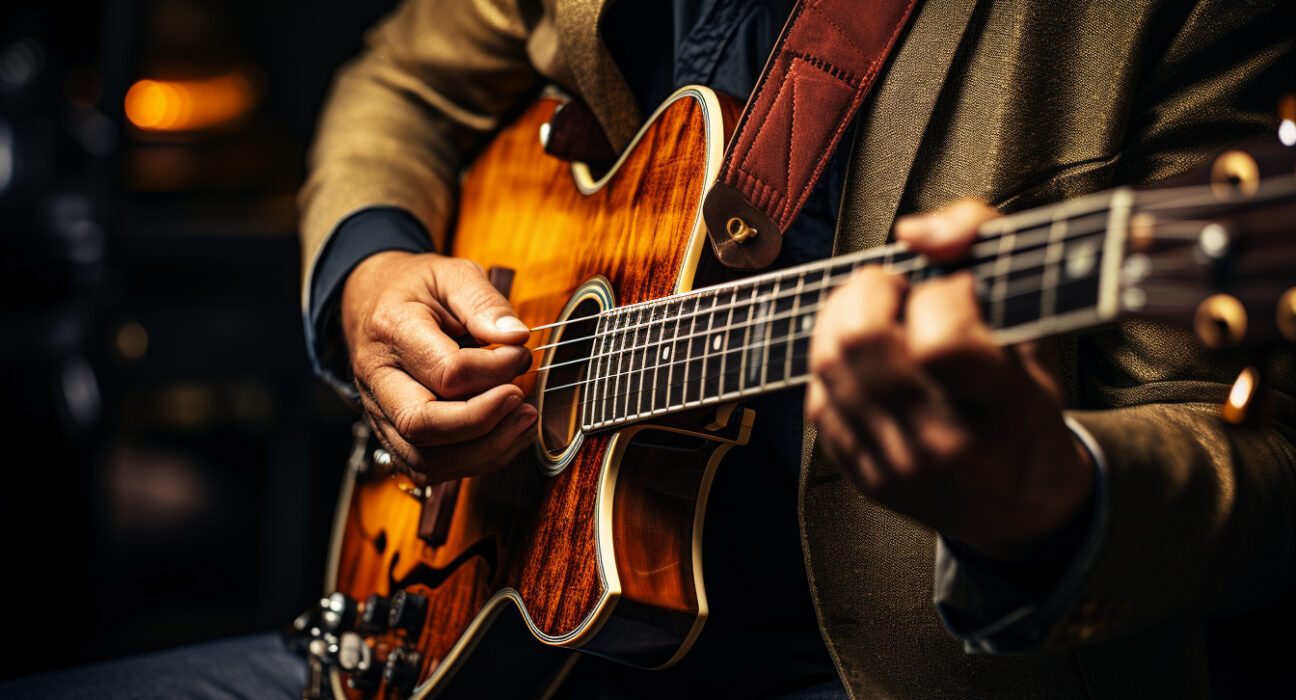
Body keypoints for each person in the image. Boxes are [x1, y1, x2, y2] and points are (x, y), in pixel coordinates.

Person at [3, 0, 1289, 697]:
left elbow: (1252, 471)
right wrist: (369, 275)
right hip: (479, 635)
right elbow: (396, 72)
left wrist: (1041, 500)